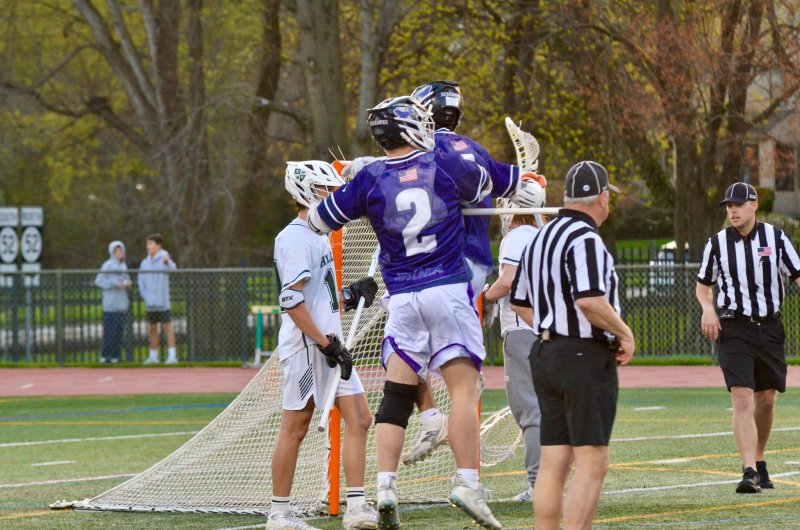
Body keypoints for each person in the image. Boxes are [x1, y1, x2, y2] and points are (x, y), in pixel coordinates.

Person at [309, 96, 502, 530]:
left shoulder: (371, 178)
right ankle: (468, 482)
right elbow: (487, 186)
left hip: (402, 298)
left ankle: (385, 487)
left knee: (396, 396)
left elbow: (322, 219)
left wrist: (355, 181)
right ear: (414, 126)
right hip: (447, 288)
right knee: (464, 391)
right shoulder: (443, 164)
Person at [393, 80, 548, 466]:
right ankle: (443, 412)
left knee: (401, 348)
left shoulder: (425, 153)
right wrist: (526, 188)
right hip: (475, 264)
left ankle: (433, 417)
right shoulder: (473, 150)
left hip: (441, 263)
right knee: (430, 349)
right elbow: (518, 186)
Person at [510, 160, 634, 530]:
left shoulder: (540, 237)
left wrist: (550, 327)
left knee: (555, 461)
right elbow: (590, 300)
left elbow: (518, 300)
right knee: (593, 460)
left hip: (545, 353)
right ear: (602, 198)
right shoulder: (586, 239)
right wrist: (624, 333)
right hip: (582, 355)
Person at [268, 160, 379, 530]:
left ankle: (357, 508)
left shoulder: (318, 237)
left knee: (360, 418)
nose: (331, 198)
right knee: (296, 425)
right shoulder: (295, 237)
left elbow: (320, 297)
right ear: (303, 192)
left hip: (329, 345)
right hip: (307, 346)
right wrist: (324, 343)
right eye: (323, 191)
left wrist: (350, 294)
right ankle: (279, 514)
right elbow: (291, 302)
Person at [696, 182, 800, 493]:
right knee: (742, 398)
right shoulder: (716, 244)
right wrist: (707, 309)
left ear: (754, 205)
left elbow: (797, 274)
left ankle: (759, 459)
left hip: (769, 327)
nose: (733, 210)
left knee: (766, 400)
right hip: (734, 327)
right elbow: (704, 284)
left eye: (739, 204)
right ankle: (749, 471)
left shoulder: (776, 238)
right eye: (729, 205)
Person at [482, 192, 545, 503]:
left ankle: (539, 484)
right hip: (546, 329)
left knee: (529, 409)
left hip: (524, 329)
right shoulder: (544, 235)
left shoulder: (519, 235)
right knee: (541, 408)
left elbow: (508, 281)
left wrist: (483, 297)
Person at [137, 234, 178, 365]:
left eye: (151, 244)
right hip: (150, 302)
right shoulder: (144, 262)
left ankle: (172, 356)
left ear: (159, 245)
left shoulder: (165, 259)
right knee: (152, 329)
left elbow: (174, 270)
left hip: (163, 301)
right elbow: (140, 280)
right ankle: (153, 356)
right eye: (147, 244)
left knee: (167, 328)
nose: (148, 246)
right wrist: (146, 296)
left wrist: (168, 263)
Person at [94, 241, 131, 364]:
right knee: (110, 331)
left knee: (119, 332)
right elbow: (99, 281)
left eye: (121, 251)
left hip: (121, 304)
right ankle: (106, 356)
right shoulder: (107, 265)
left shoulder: (123, 266)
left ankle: (116, 355)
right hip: (110, 305)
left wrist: (127, 283)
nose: (119, 253)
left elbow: (126, 279)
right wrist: (114, 284)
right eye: (116, 251)